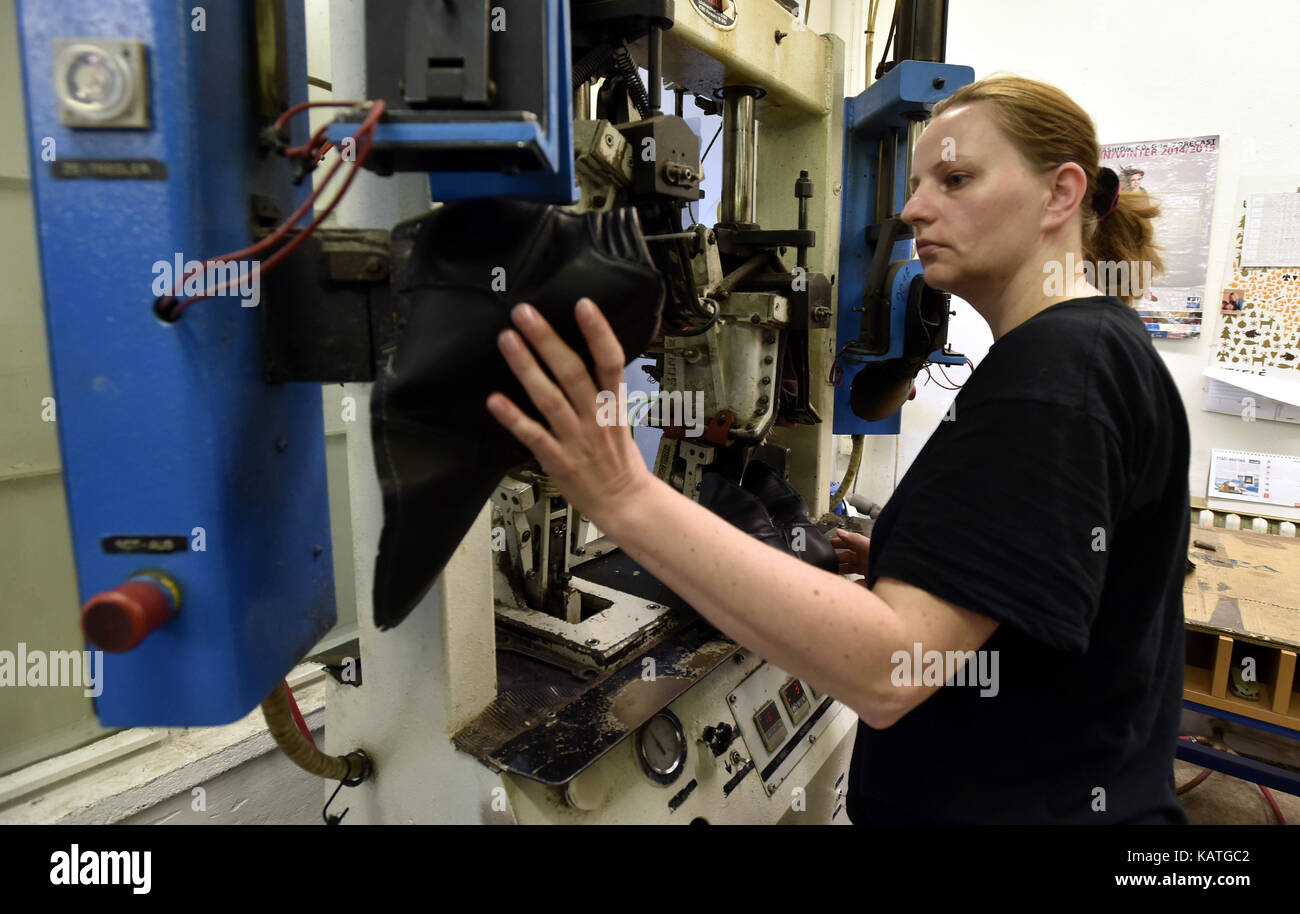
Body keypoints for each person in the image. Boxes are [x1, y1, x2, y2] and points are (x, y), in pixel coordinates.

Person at [485, 74, 1190, 824]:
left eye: (956, 179)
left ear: (1061, 194)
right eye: (917, 182)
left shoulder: (1051, 380)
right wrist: (915, 554)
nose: (915, 208)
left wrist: (624, 496)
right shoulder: (1104, 347)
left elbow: (890, 672)